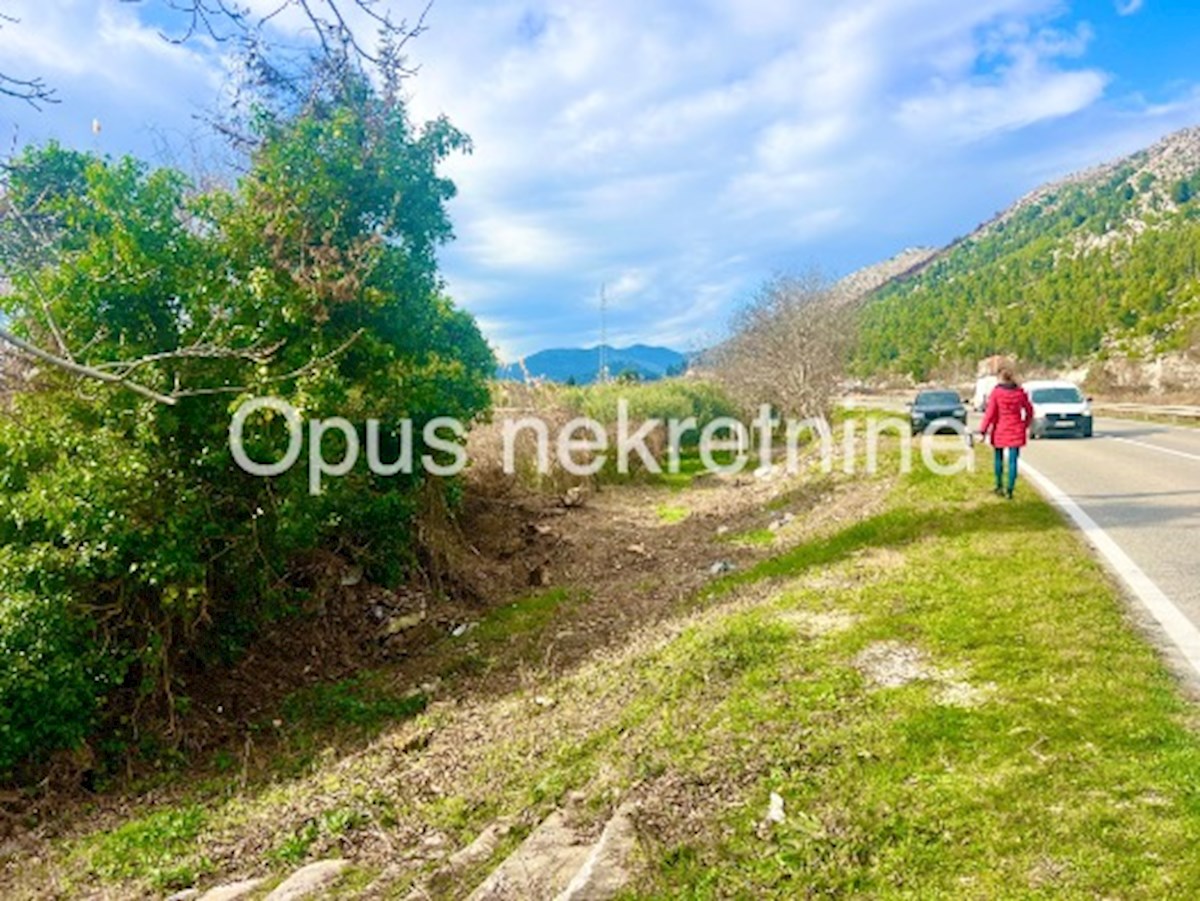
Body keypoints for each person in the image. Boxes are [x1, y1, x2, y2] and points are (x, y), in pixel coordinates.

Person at [978, 367, 1034, 499]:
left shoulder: (997, 393)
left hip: (1000, 429)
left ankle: (999, 485)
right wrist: (1024, 424)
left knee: (998, 458)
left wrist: (983, 430)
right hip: (1016, 429)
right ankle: (1010, 489)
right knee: (1013, 461)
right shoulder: (1020, 392)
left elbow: (990, 413)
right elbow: (1029, 411)